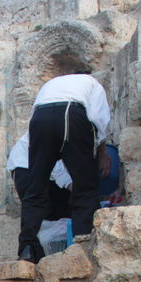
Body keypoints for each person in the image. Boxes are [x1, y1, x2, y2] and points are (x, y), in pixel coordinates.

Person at [22, 70, 112, 262]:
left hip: (39, 119)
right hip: (72, 114)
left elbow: (34, 114)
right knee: (85, 187)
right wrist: (102, 153)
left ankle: (27, 248)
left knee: (36, 188)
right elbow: (98, 118)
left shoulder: (51, 84)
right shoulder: (93, 83)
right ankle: (82, 245)